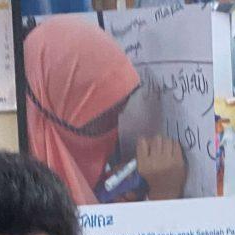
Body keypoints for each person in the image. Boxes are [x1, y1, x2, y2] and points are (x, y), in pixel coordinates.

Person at [24, 16, 186, 204]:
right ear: (58, 119)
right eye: (104, 119)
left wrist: (100, 191)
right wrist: (164, 198)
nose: (113, 133)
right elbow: (70, 221)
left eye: (117, 114)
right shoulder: (28, 200)